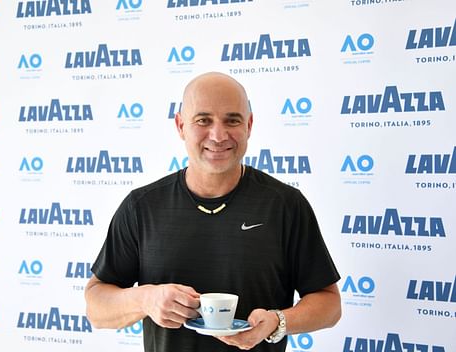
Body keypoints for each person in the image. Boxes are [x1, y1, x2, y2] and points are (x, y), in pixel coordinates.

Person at [84, 72, 341, 351]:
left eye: (232, 120)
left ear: (249, 125)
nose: (218, 136)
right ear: (181, 126)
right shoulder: (142, 206)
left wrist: (278, 321)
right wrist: (144, 299)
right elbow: (96, 307)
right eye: (203, 120)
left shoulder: (285, 205)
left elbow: (329, 304)